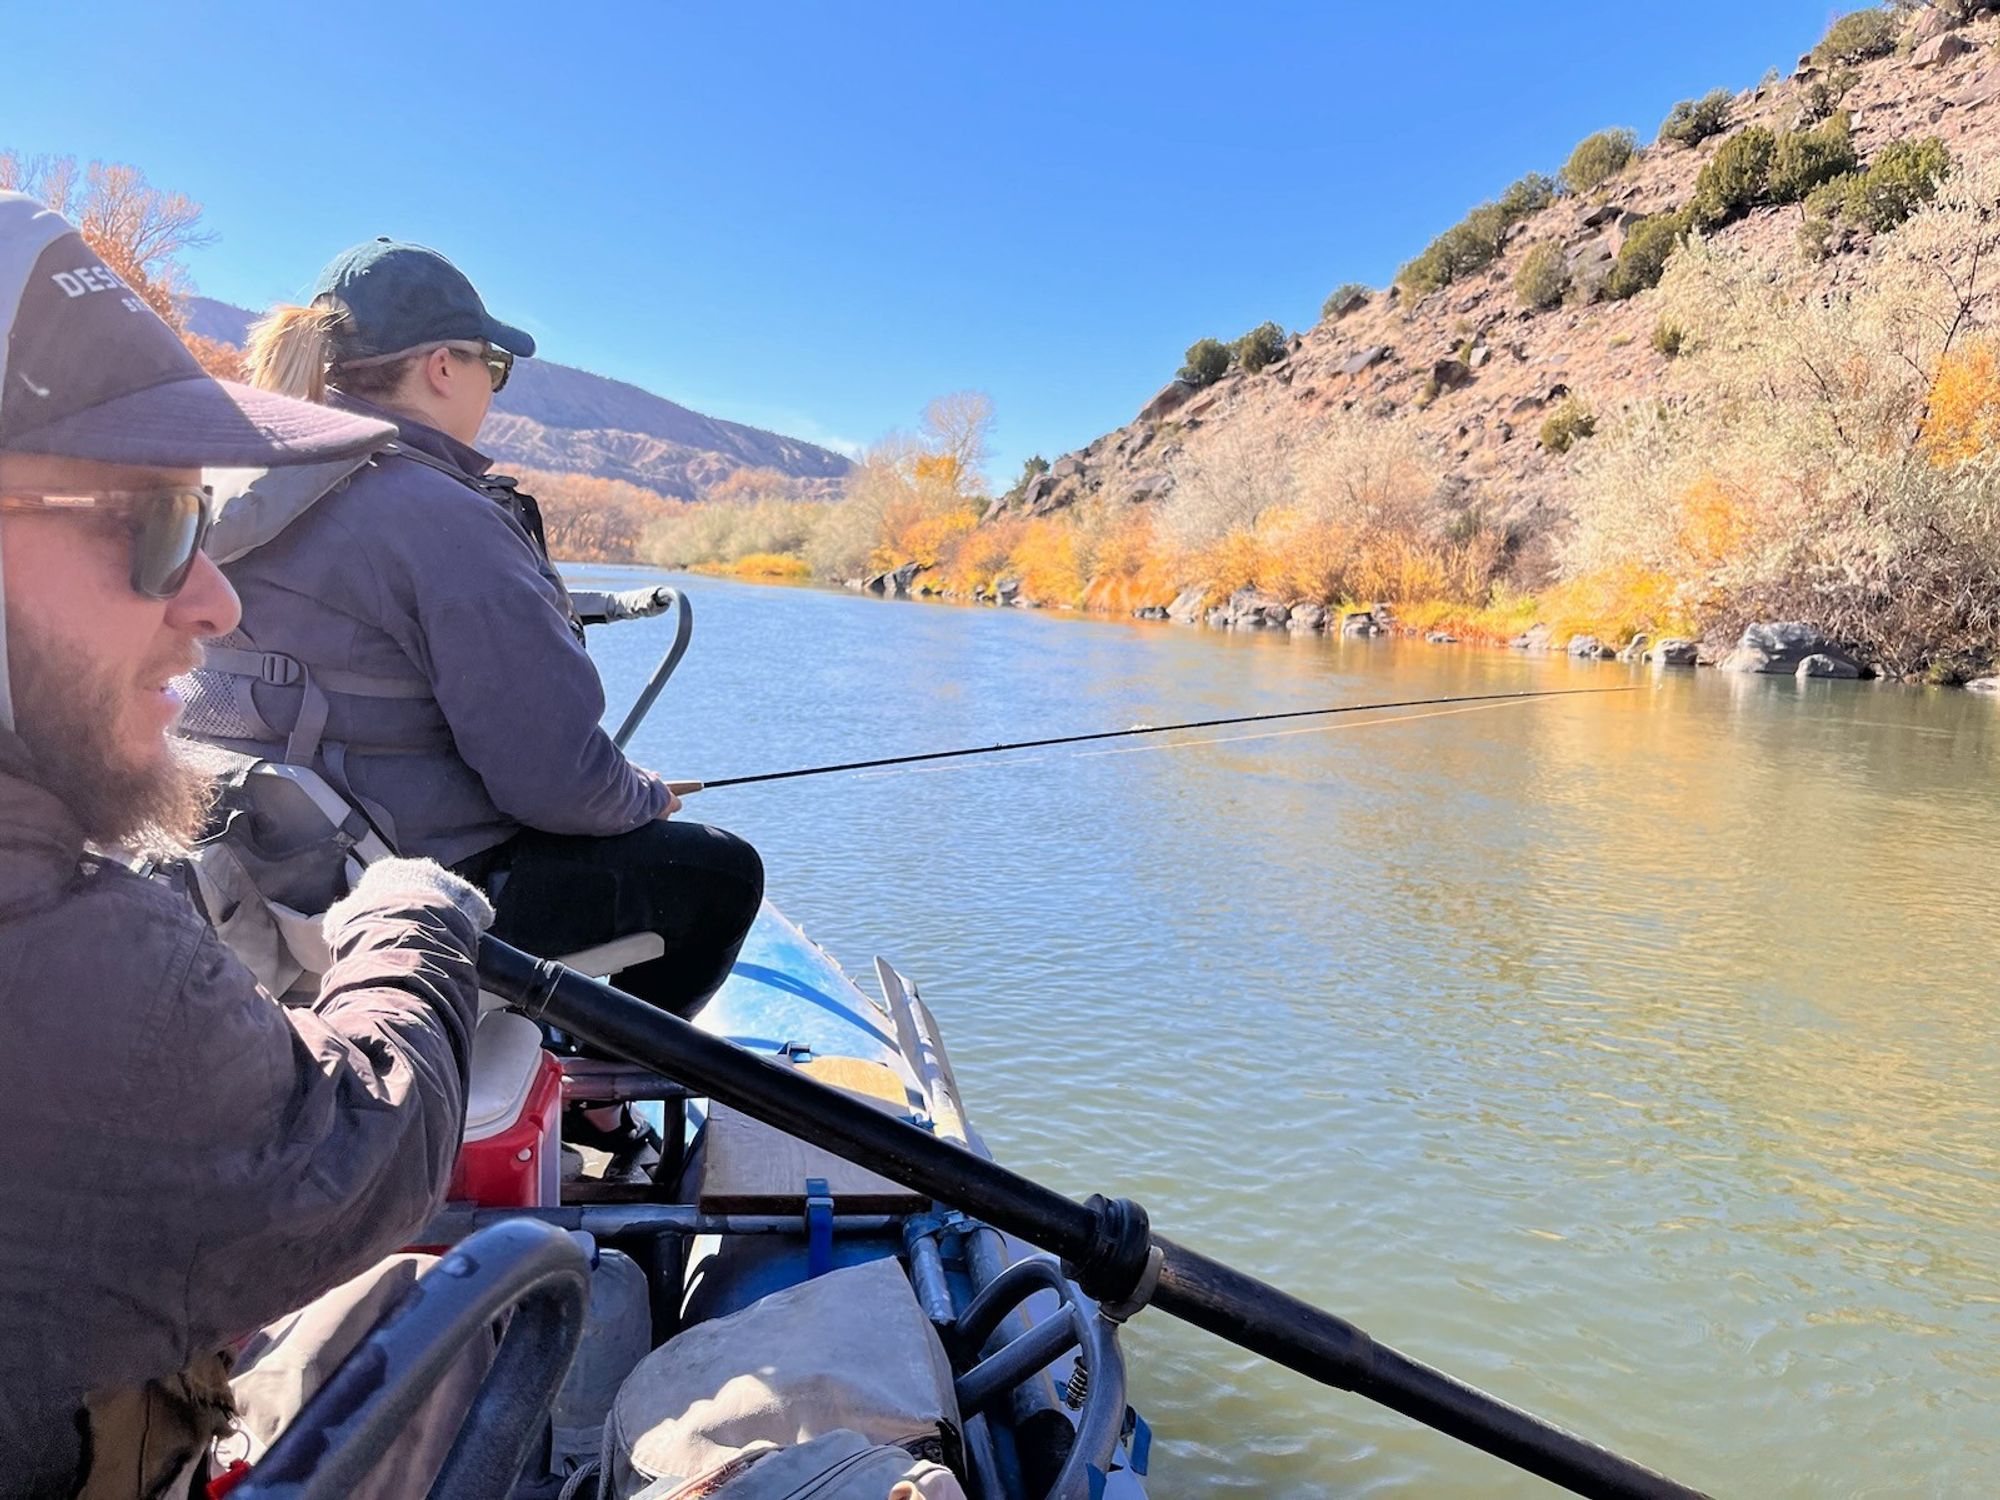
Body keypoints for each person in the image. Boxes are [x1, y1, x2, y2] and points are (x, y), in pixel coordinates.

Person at [0, 193, 497, 1495]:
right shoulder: (83, 975)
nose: (212, 598)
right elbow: (362, 1149)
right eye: (156, 523)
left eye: (202, 519)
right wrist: (415, 919)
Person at [202, 240, 762, 1056]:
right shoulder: (441, 517)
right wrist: (642, 796)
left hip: (249, 873)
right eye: (491, 365)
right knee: (717, 874)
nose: (492, 388)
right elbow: (557, 782)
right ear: (440, 366)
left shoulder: (237, 488)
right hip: (393, 891)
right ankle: (603, 1100)